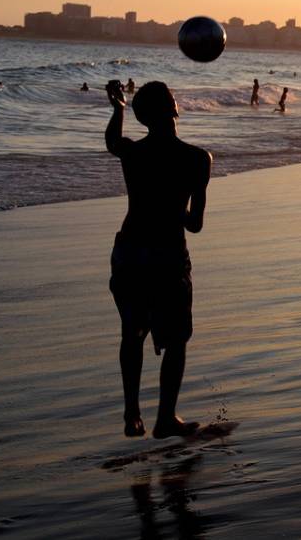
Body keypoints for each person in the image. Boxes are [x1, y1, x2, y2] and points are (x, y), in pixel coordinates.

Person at [105, 80, 212, 439]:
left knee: (132, 333)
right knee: (177, 338)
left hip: (131, 251)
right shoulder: (198, 159)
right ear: (175, 108)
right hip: (167, 255)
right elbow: (195, 224)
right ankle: (166, 417)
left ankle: (132, 413)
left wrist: (118, 108)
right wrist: (173, 207)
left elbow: (112, 144)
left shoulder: (134, 154)